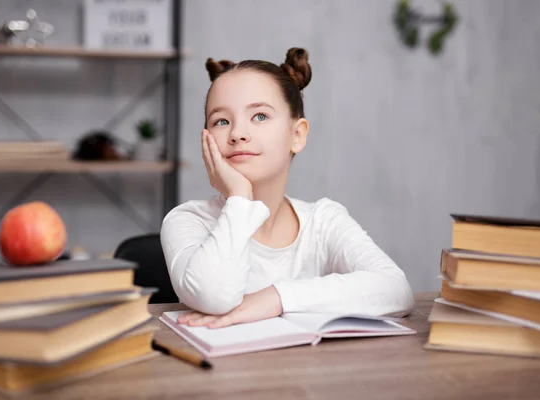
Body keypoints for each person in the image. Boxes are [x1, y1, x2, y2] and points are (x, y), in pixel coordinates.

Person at [160, 47, 415, 329]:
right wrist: (240, 198)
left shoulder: (323, 221)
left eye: (259, 116)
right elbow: (214, 297)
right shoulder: (187, 220)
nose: (237, 134)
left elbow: (395, 289)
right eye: (221, 121)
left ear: (297, 135)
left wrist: (275, 298)